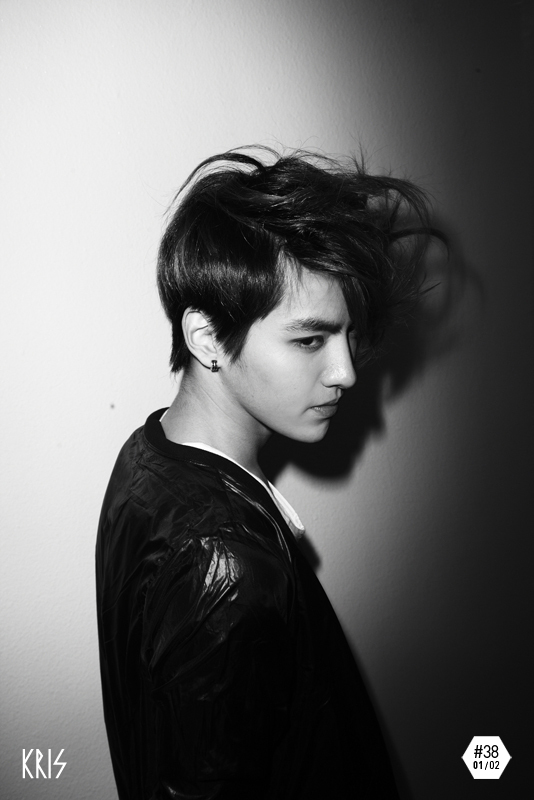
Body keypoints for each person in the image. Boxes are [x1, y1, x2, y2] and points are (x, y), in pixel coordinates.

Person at [96, 146, 436, 799]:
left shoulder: (149, 451)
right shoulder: (226, 570)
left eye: (347, 335)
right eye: (310, 340)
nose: (346, 372)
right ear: (206, 338)